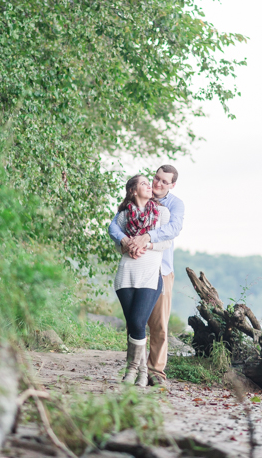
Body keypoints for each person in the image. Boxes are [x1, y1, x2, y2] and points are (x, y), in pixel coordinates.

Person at [109, 165, 184, 386]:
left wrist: (146, 238)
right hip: (134, 268)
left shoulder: (173, 206)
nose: (157, 183)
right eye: (155, 178)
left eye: (163, 181)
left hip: (162, 269)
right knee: (136, 322)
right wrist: (126, 243)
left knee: (159, 325)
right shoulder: (130, 209)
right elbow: (114, 228)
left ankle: (155, 372)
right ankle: (135, 369)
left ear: (172, 185)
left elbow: (172, 231)